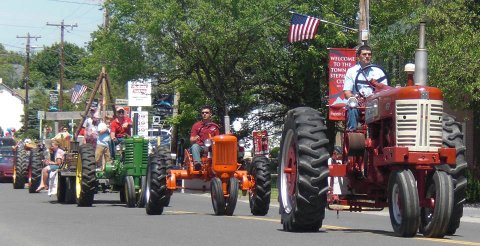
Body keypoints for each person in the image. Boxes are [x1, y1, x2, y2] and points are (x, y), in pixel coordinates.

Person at [343, 45, 388, 130]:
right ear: (358, 56)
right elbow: (346, 92)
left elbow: (385, 90)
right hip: (359, 103)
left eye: (369, 54)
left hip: (375, 102)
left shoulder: (379, 71)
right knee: (352, 106)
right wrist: (355, 98)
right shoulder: (351, 71)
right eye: (364, 54)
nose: (367, 56)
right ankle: (352, 131)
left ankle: (385, 134)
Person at [189, 105, 220, 170]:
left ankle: (220, 165)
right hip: (201, 147)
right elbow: (191, 139)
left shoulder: (215, 127)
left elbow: (218, 139)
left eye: (206, 112)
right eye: (203, 113)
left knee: (220, 148)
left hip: (212, 147)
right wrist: (194, 138)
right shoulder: (196, 125)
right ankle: (197, 164)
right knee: (194, 146)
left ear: (210, 114)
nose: (204, 114)